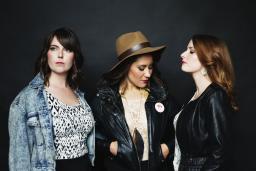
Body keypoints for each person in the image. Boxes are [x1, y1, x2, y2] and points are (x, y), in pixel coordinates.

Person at [8, 27, 95, 171]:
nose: (60, 55)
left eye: (67, 49)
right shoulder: (27, 99)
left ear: (74, 57)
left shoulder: (80, 96)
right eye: (54, 48)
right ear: (46, 54)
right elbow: (19, 160)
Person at [91, 31, 178, 171]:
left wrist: (167, 148)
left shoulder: (160, 95)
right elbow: (88, 135)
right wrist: (110, 147)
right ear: (125, 67)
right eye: (141, 68)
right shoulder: (105, 99)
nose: (148, 74)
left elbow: (184, 128)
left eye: (150, 67)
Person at [173, 34, 238, 171]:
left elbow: (220, 155)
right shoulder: (196, 96)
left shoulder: (215, 96)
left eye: (191, 51)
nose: (182, 54)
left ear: (207, 58)